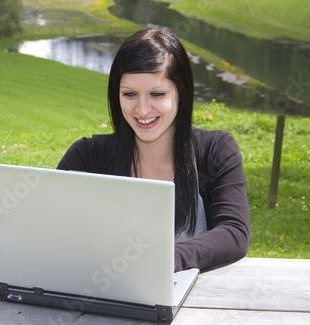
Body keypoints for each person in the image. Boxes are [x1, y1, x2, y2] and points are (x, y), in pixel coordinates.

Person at [57, 28, 250, 272]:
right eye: (130, 94)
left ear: (181, 93)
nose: (143, 109)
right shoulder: (86, 156)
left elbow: (234, 233)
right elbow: (54, 228)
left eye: (157, 94)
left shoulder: (215, 151)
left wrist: (171, 258)